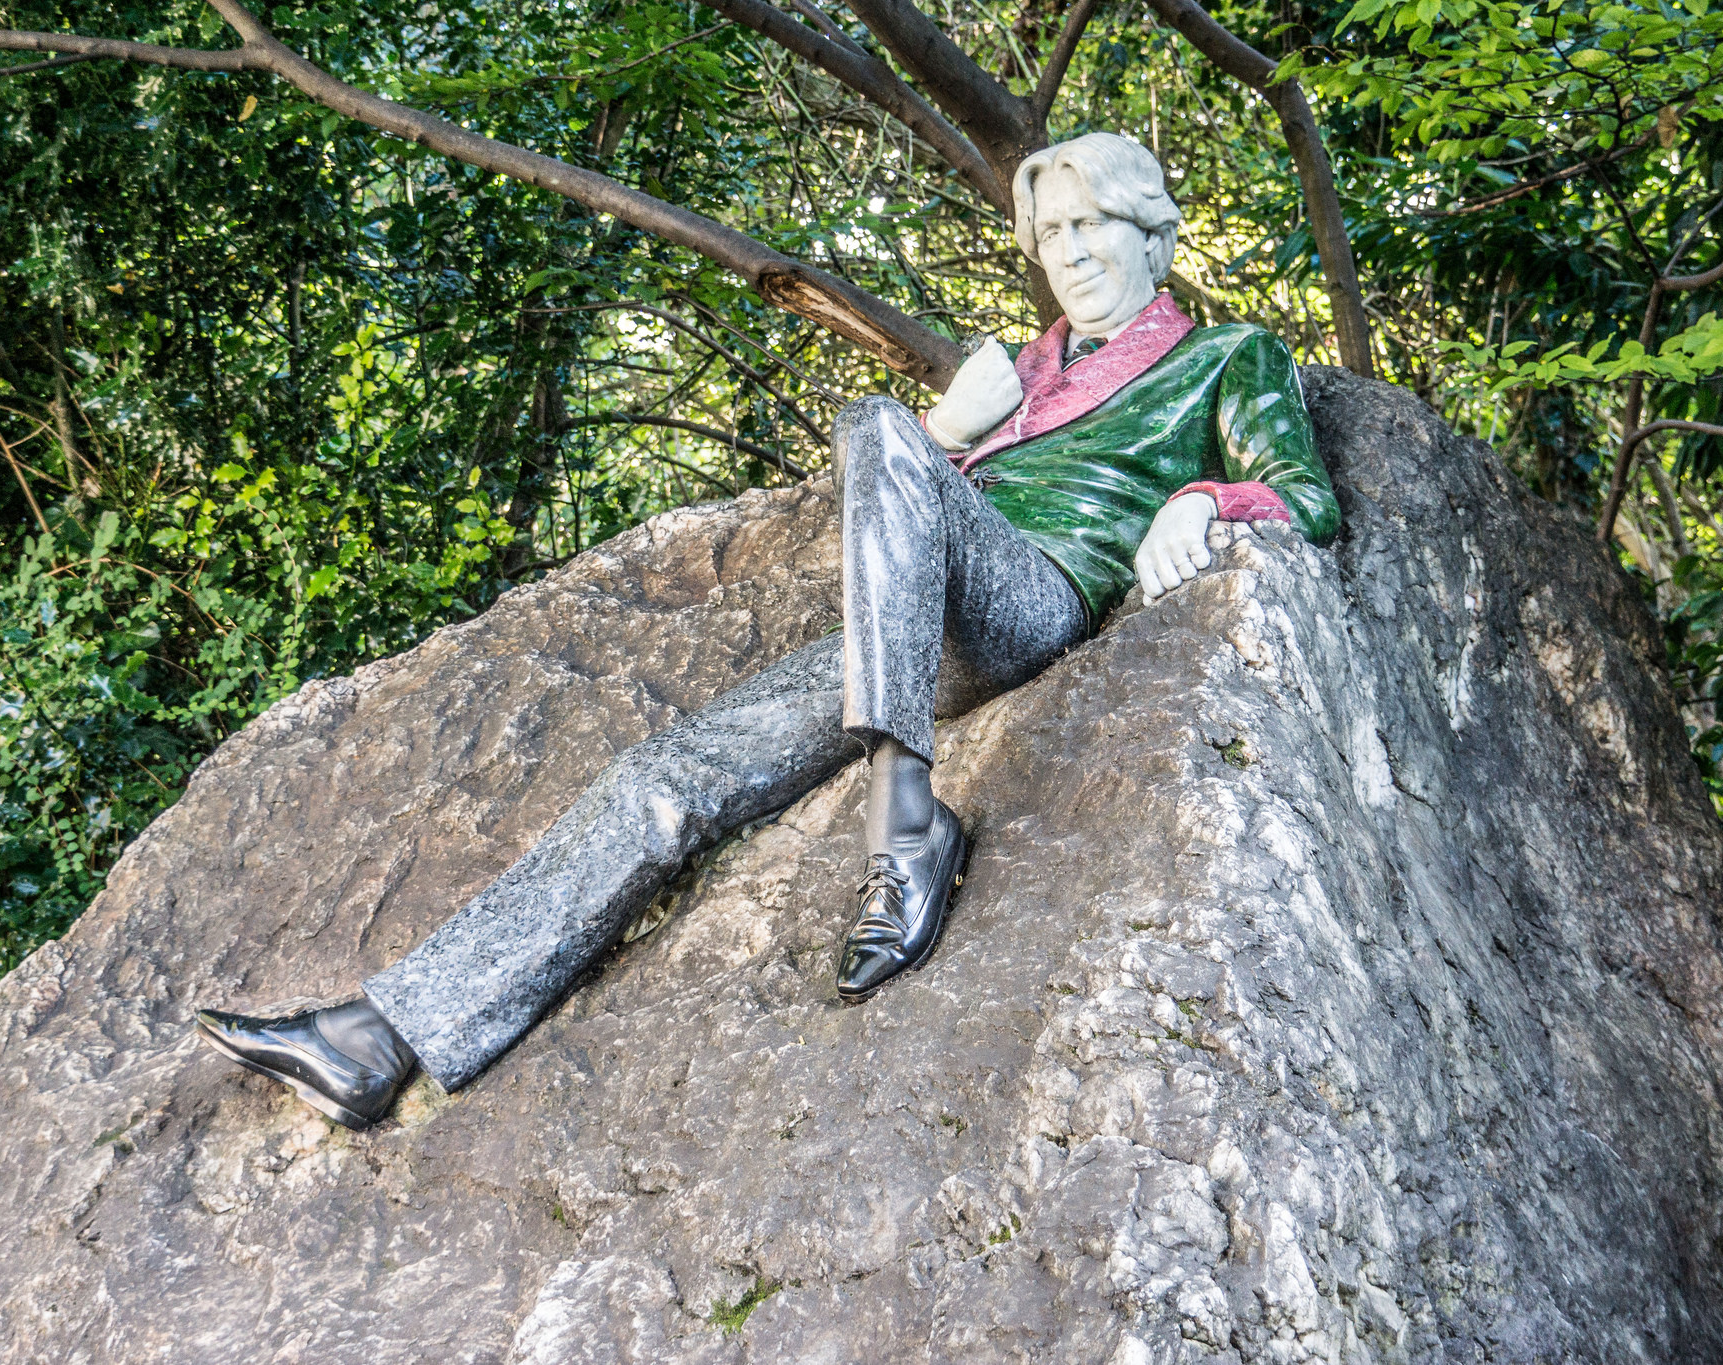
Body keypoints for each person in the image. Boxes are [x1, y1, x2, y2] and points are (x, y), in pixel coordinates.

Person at [194, 133, 1339, 1130]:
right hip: (903, 637)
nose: (1073, 250)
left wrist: (1201, 499)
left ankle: (905, 828)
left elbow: (1305, 492)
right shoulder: (1016, 373)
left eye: (1094, 223)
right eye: (1051, 232)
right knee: (666, 775)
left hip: (1031, 597)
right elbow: (897, 504)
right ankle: (378, 1038)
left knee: (878, 424)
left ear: (1153, 233)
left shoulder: (1219, 358)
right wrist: (953, 429)